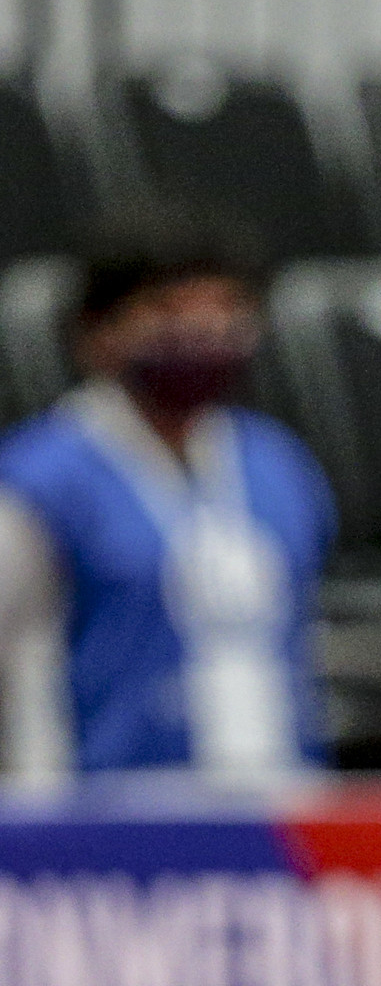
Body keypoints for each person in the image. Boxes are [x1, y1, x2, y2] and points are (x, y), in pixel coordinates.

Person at [0, 212, 334, 779]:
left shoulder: (280, 465)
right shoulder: (39, 479)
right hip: (102, 824)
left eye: (226, 311)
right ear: (97, 332)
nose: (203, 334)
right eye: (170, 313)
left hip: (279, 812)